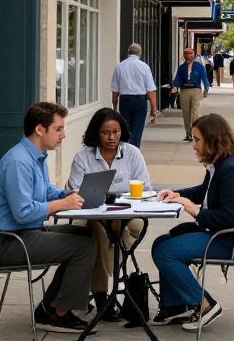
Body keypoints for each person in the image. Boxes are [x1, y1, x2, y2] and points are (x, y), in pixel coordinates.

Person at [0, 102, 95, 334]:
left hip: (25, 234)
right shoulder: (18, 162)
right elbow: (23, 213)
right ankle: (58, 313)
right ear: (40, 130)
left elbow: (44, 192)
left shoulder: (37, 157)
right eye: (59, 129)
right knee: (84, 247)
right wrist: (62, 205)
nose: (64, 134)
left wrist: (66, 194)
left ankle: (51, 307)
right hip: (10, 242)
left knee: (85, 234)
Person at [151, 113, 234, 332]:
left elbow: (227, 217)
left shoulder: (231, 170)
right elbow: (204, 192)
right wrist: (175, 194)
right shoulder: (220, 165)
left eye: (197, 140)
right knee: (160, 243)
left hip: (233, 240)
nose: (193, 145)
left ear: (212, 140)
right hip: (223, 234)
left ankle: (205, 304)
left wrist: (191, 208)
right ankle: (175, 305)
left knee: (166, 252)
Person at [67, 107, 152, 319]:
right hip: (95, 215)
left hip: (129, 215)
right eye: (106, 132)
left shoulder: (132, 153)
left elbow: (147, 190)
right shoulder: (83, 157)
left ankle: (105, 293)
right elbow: (73, 191)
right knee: (96, 230)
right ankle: (103, 296)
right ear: (97, 133)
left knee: (111, 233)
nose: (111, 137)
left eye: (116, 132)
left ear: (121, 131)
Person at [110, 42, 157, 147]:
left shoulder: (119, 67)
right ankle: (134, 151)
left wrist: (114, 107)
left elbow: (115, 90)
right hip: (140, 101)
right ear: (140, 53)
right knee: (137, 129)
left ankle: (124, 150)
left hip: (125, 101)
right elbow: (151, 90)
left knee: (125, 129)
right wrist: (154, 109)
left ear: (128, 53)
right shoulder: (144, 67)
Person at [172, 48, 211, 141]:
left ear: (193, 56)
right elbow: (177, 79)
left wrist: (206, 88)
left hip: (196, 91)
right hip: (184, 91)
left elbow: (204, 78)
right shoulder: (181, 67)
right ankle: (188, 134)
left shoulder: (199, 66)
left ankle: (195, 134)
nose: (188, 56)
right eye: (186, 54)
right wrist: (174, 86)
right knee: (186, 114)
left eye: (190, 54)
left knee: (194, 113)